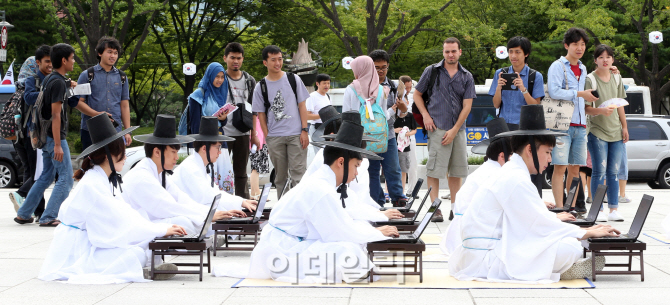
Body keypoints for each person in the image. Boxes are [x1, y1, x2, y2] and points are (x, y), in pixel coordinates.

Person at [449, 105, 620, 283]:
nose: (549, 159)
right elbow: (537, 225)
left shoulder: (513, 171)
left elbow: (532, 220)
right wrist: (584, 232)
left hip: (482, 252)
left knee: (565, 241)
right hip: (487, 257)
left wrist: (577, 229)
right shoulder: (515, 177)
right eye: (547, 152)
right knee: (571, 246)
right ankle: (553, 269)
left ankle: (551, 268)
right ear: (530, 150)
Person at [238, 120, 398, 283]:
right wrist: (375, 232)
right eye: (356, 166)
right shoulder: (321, 187)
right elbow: (338, 231)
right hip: (281, 251)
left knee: (353, 243)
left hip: (288, 243)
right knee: (348, 249)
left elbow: (343, 217)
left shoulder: (325, 181)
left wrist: (374, 224)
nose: (357, 172)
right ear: (341, 162)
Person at [38, 114, 186, 283]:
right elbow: (120, 220)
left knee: (141, 242)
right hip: (76, 252)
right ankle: (138, 269)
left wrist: (157, 228)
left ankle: (141, 266)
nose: (124, 158)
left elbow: (124, 213)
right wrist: (159, 229)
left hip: (86, 242)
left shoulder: (101, 179)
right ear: (109, 155)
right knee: (135, 252)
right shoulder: (93, 184)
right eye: (121, 153)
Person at [15, 43, 105, 227]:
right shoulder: (56, 82)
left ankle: (24, 213)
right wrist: (57, 144)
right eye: (72, 58)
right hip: (54, 137)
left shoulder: (53, 80)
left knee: (46, 176)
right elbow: (56, 115)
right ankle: (49, 216)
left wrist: (96, 112)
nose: (73, 61)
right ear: (64, 60)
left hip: (46, 136)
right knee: (65, 179)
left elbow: (71, 103)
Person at [123, 115, 230, 234]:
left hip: (150, 221)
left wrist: (208, 213)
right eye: (173, 152)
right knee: (184, 222)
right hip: (136, 227)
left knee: (191, 221)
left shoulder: (158, 173)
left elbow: (181, 199)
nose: (177, 157)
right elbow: (168, 207)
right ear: (157, 152)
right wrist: (206, 215)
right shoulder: (142, 176)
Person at [413, 37, 476, 222]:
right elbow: (417, 94)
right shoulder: (431, 71)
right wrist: (425, 115)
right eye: (447, 51)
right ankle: (435, 209)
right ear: (443, 52)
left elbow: (467, 106)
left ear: (460, 52)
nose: (450, 54)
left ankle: (455, 209)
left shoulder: (467, 76)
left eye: (453, 51)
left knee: (456, 171)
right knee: (434, 170)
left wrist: (455, 129)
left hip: (458, 129)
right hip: (436, 126)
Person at [307, 108, 404, 222]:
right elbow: (344, 210)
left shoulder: (335, 166)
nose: (357, 171)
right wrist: (379, 216)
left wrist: (379, 212)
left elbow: (354, 199)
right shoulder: (326, 164)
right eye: (356, 165)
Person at [341, 55, 405, 209]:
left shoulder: (350, 89)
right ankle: (398, 199)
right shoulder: (383, 89)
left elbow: (346, 116)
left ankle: (375, 202)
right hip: (382, 135)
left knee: (371, 171)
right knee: (392, 168)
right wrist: (393, 110)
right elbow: (384, 115)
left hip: (360, 138)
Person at [440, 118, 511, 255]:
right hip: (475, 236)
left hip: (465, 231)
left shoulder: (489, 169)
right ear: (502, 155)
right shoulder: (496, 174)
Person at [547, 28, 597, 210]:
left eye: (583, 44)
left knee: (575, 169)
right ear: (566, 45)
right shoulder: (557, 66)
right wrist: (579, 93)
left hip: (581, 125)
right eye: (576, 44)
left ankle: (571, 207)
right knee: (560, 168)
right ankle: (560, 208)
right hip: (561, 124)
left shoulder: (583, 68)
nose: (580, 48)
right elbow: (554, 91)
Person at [252, 45, 310, 199]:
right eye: (273, 60)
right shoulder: (260, 86)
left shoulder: (293, 79)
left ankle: (298, 210)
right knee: (280, 178)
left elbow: (302, 106)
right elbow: (260, 113)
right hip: (275, 137)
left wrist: (305, 130)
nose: (278, 63)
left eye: (280, 59)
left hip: (296, 134)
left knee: (299, 175)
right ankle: (284, 212)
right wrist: (267, 136)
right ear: (265, 63)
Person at [172, 116, 257, 214]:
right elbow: (210, 197)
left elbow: (215, 194)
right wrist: (239, 203)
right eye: (218, 148)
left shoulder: (198, 165)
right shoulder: (192, 169)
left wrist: (242, 201)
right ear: (204, 148)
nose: (219, 152)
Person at [585, 44, 628, 222]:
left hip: (616, 132)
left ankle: (613, 209)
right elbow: (586, 108)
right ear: (595, 60)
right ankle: (598, 210)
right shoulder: (590, 80)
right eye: (601, 57)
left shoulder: (617, 78)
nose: (605, 60)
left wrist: (624, 127)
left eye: (608, 57)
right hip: (597, 131)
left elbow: (620, 105)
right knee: (598, 171)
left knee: (613, 172)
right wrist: (601, 112)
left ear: (612, 59)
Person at [10, 48, 50, 218]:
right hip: (32, 134)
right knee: (40, 172)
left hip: (17, 136)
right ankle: (23, 195)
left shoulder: (18, 87)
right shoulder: (33, 83)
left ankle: (31, 211)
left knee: (31, 171)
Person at [77, 37, 132, 150]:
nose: (113, 56)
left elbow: (124, 105)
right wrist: (98, 114)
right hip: (90, 130)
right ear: (99, 53)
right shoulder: (87, 75)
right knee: (91, 165)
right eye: (109, 52)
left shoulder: (122, 77)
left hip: (115, 131)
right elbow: (78, 102)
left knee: (114, 165)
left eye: (115, 53)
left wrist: (127, 131)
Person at [221, 42, 257, 199]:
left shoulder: (249, 80)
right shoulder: (220, 78)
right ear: (225, 58)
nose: (236, 61)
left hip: (243, 131)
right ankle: (222, 204)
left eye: (239, 58)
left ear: (243, 59)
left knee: (241, 172)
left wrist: (254, 133)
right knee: (221, 172)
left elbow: (255, 109)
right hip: (223, 132)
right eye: (232, 58)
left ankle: (244, 205)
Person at [490, 36, 545, 130]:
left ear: (526, 54)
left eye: (517, 52)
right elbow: (496, 105)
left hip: (526, 127)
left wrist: (523, 89)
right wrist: (499, 88)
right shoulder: (500, 73)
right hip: (504, 126)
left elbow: (536, 107)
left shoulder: (535, 76)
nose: (513, 56)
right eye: (510, 51)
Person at [393, 100, 418, 193]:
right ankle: (393, 191)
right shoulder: (393, 116)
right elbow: (388, 128)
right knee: (394, 169)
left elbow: (414, 130)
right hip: (394, 145)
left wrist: (408, 134)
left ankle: (403, 192)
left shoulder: (410, 116)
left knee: (404, 169)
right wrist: (395, 130)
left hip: (405, 146)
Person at [398, 75, 418, 192]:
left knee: (413, 162)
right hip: (398, 133)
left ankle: (412, 190)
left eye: (410, 87)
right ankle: (397, 190)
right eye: (406, 87)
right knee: (399, 164)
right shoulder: (395, 98)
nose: (409, 90)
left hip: (410, 132)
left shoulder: (413, 97)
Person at [249, 116, 269, 200]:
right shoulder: (255, 117)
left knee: (256, 168)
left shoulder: (259, 116)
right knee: (255, 168)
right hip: (257, 142)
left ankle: (254, 193)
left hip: (261, 142)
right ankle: (256, 193)